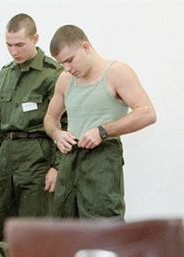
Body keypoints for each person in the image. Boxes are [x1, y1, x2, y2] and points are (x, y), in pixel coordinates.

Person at [44, 24, 156, 219]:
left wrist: (103, 131)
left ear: (85, 47)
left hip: (102, 159)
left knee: (103, 226)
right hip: (70, 159)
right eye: (62, 63)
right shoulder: (65, 80)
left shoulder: (116, 72)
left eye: (70, 60)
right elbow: (50, 117)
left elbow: (147, 113)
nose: (67, 68)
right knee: (64, 226)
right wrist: (57, 134)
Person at [0, 13, 65, 242]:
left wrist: (57, 166)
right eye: (9, 45)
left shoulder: (53, 74)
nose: (14, 51)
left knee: (34, 224)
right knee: (2, 221)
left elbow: (65, 124)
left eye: (20, 45)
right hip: (7, 155)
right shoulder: (5, 74)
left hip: (37, 154)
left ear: (35, 39)